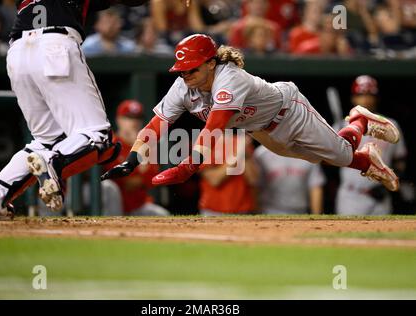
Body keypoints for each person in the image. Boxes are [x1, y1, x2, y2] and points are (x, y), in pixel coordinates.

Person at [101, 34, 401, 199]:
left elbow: (215, 126)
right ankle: (367, 159)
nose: (186, 75)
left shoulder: (229, 77)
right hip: (260, 129)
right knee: (317, 158)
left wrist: (187, 167)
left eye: (192, 68)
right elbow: (157, 124)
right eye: (182, 70)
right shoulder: (183, 86)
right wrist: (133, 159)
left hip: (289, 110)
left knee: (340, 153)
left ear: (210, 63)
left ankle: (360, 120)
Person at [0, 0, 148, 221]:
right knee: (99, 136)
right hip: (54, 45)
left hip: (17, 52)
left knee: (47, 139)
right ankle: (52, 160)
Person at [334, 75, 407, 215]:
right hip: (351, 195)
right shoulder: (341, 126)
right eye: (361, 94)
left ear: (377, 98)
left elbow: (400, 162)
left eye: (370, 94)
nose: (366, 99)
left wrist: (388, 184)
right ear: (353, 98)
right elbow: (326, 159)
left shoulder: (390, 126)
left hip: (380, 196)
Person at [102, 99, 169, 216]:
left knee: (163, 216)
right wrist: (140, 175)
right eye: (129, 118)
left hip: (139, 205)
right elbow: (122, 180)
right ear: (119, 120)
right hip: (113, 205)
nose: (134, 122)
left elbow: (151, 179)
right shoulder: (111, 142)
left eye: (137, 118)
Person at [199, 131, 258, 216]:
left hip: (243, 210)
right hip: (213, 212)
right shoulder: (205, 144)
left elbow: (253, 179)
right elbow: (214, 180)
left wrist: (243, 153)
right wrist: (238, 153)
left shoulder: (240, 141)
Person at [254, 145, 325, 214]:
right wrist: (257, 212)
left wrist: (316, 215)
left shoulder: (308, 153)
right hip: (269, 210)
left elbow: (315, 186)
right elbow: (255, 186)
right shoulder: (261, 153)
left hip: (300, 211)